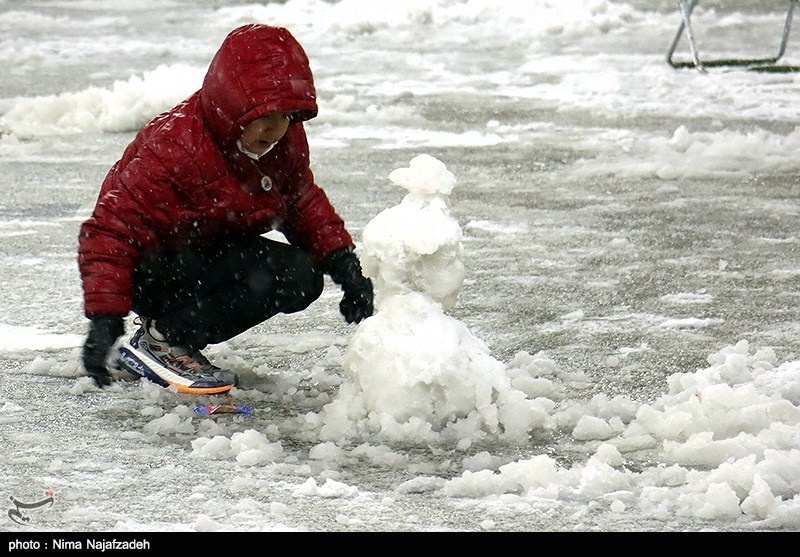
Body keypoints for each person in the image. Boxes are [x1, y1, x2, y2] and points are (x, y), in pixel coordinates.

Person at [78, 23, 374, 395]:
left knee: (299, 275)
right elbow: (111, 229)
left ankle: (169, 333)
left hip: (209, 252)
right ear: (234, 103)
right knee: (267, 272)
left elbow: (302, 202)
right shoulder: (176, 148)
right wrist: (105, 317)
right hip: (153, 267)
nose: (274, 129)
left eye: (285, 116)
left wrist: (344, 266)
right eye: (264, 115)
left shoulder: (283, 143)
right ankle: (163, 340)